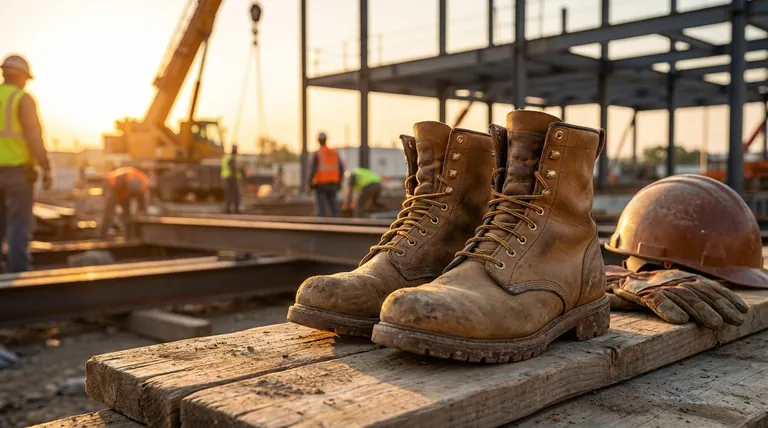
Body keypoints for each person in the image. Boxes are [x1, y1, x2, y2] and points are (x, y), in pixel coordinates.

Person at [0, 54, 52, 273]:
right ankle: (18, 272)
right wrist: (46, 166)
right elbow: (33, 136)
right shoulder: (22, 98)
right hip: (18, 172)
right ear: (21, 76)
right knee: (18, 224)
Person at [100, 166, 149, 239]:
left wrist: (143, 211)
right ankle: (103, 236)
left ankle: (129, 236)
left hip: (123, 189)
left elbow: (141, 201)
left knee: (127, 215)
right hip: (114, 187)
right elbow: (140, 199)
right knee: (109, 213)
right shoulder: (119, 179)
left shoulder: (141, 183)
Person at [308, 132, 343, 217]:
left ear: (318, 141)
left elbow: (313, 170)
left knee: (321, 209)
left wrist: (309, 183)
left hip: (321, 184)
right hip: (333, 183)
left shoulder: (318, 153)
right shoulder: (334, 152)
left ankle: (321, 227)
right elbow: (341, 168)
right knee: (334, 207)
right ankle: (337, 225)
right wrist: (339, 182)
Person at [221, 144, 242, 214]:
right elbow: (232, 169)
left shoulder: (227, 157)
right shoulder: (231, 158)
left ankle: (228, 209)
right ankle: (234, 209)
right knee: (235, 194)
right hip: (231, 178)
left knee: (229, 194)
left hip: (227, 178)